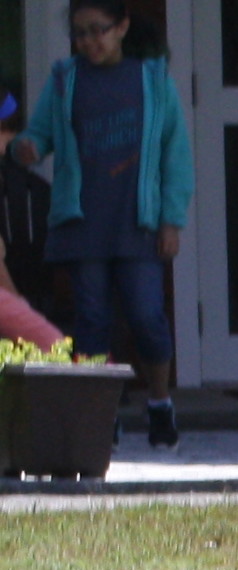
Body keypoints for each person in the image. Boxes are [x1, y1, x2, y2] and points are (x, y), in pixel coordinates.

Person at [10, 3, 190, 446]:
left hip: (138, 223)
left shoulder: (152, 81)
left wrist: (171, 220)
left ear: (122, 27)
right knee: (92, 320)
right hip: (82, 223)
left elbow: (175, 156)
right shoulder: (65, 79)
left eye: (99, 30)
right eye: (81, 34)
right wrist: (26, 147)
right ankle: (100, 414)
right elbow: (38, 135)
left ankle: (159, 402)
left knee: (147, 315)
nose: (90, 41)